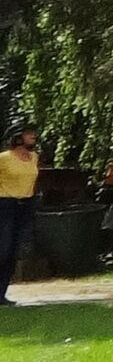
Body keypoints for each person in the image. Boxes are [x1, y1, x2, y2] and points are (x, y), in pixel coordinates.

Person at [0, 126, 38, 302]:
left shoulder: (34, 158)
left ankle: (2, 294)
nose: (33, 136)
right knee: (4, 249)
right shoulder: (4, 158)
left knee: (14, 251)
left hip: (25, 206)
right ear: (18, 137)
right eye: (28, 133)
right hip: (6, 205)